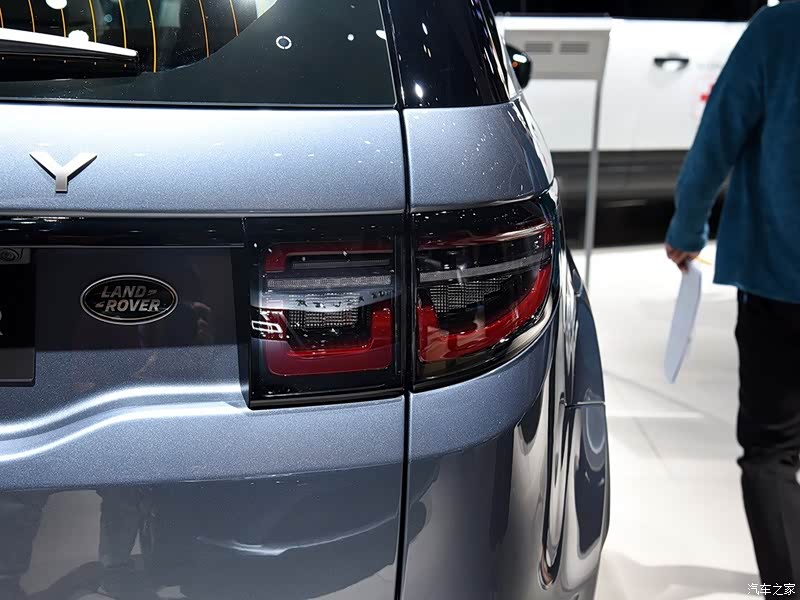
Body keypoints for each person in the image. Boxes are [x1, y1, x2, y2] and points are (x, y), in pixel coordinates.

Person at [665, 1, 800, 586]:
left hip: (779, 279)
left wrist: (686, 229)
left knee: (771, 452)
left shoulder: (780, 29)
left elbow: (719, 135)